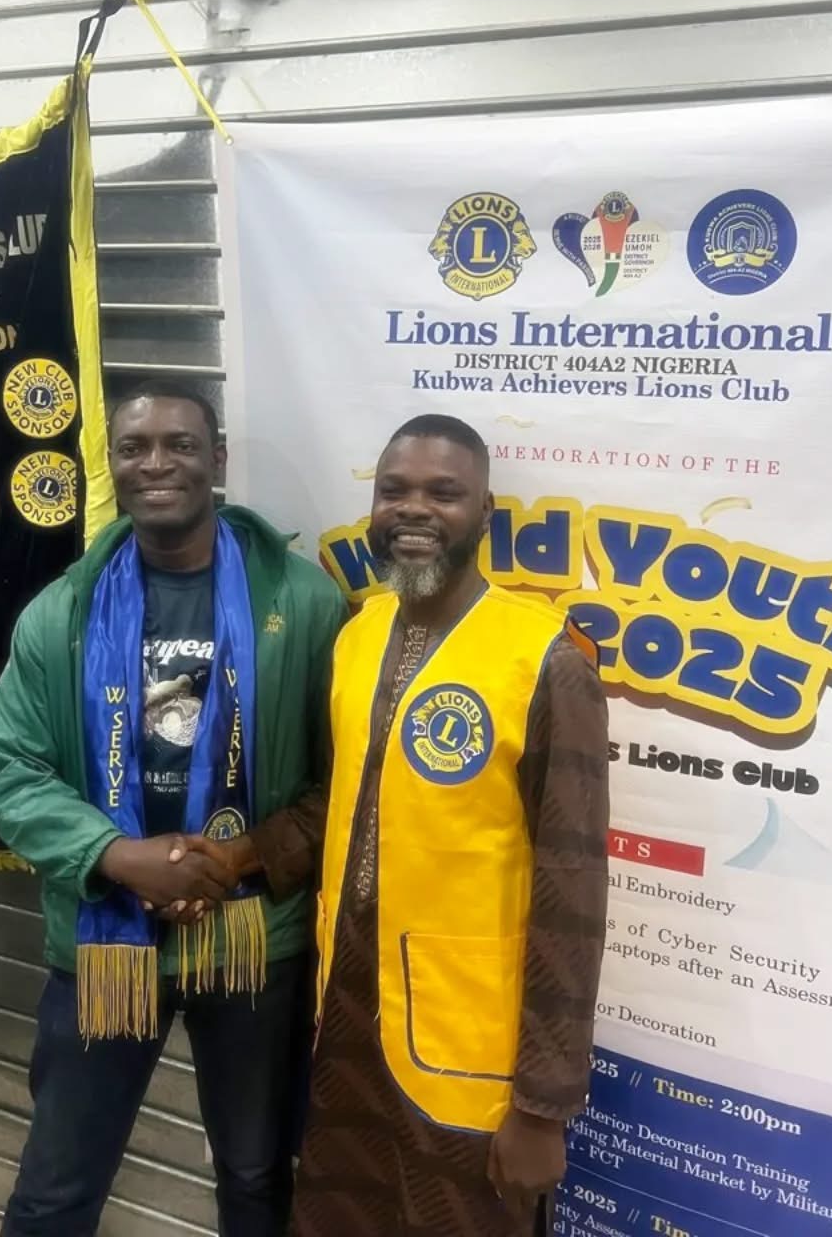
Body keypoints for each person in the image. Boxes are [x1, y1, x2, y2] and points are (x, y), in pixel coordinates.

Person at [0, 378, 347, 1237]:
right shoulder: (61, 613)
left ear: (215, 460)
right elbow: (13, 772)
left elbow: (343, 783)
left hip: (250, 939)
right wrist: (120, 858)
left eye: (180, 444)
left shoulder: (303, 604)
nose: (156, 463)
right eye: (134, 446)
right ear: (110, 464)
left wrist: (241, 856)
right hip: (107, 939)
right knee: (55, 1188)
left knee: (257, 1179)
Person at [291, 414, 609, 1237]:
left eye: (444, 492)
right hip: (347, 1020)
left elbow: (573, 892)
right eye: (393, 490)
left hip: (472, 1054)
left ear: (485, 513)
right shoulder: (357, 636)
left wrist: (542, 1107)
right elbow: (341, 807)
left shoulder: (546, 660)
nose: (414, 510)